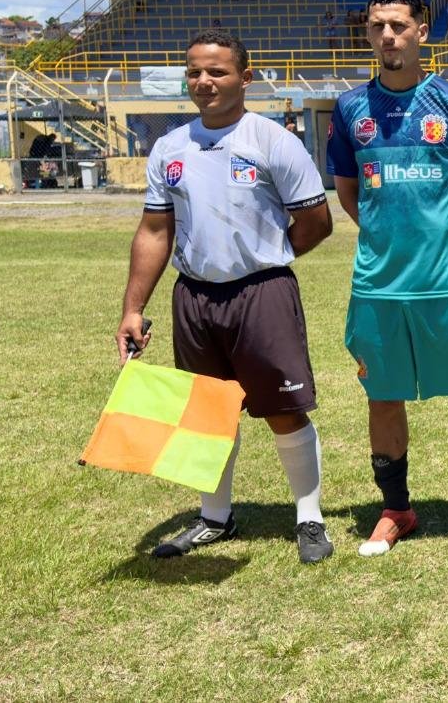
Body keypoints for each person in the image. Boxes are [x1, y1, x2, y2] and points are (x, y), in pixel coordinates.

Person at [117, 29, 334, 563]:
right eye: (194, 72)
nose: (204, 82)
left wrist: (267, 257)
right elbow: (154, 231)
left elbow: (315, 220)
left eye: (217, 71)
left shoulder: (272, 140)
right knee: (206, 414)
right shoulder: (170, 147)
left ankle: (309, 519)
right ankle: (215, 518)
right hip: (194, 299)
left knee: (285, 409)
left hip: (262, 292)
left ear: (245, 77)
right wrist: (132, 308)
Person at [325, 0, 448, 558]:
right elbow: (349, 192)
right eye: (378, 25)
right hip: (380, 285)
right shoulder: (350, 107)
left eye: (399, 25)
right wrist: (384, 235)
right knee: (383, 397)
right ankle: (395, 509)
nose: (388, 36)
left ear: (422, 32)